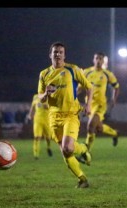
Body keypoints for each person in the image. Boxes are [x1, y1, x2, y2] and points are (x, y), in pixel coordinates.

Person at [37, 41, 93, 188]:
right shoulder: (44, 74)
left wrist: (88, 105)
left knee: (68, 147)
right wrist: (45, 93)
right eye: (55, 52)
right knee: (65, 152)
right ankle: (82, 179)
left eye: (61, 52)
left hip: (71, 114)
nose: (58, 54)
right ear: (50, 55)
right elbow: (40, 98)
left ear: (64, 55)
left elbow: (89, 87)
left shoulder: (72, 69)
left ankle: (83, 149)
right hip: (54, 117)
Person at [79, 52, 120, 150]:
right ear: (93, 60)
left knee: (90, 125)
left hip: (100, 104)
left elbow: (117, 87)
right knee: (99, 128)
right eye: (96, 58)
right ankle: (114, 133)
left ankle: (86, 151)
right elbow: (80, 87)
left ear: (103, 61)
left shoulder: (107, 74)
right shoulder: (87, 72)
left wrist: (114, 99)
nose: (98, 60)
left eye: (100, 59)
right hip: (89, 105)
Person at [27, 94, 53, 160]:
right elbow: (32, 107)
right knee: (37, 137)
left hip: (47, 120)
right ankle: (36, 154)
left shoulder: (49, 97)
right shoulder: (36, 97)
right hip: (37, 121)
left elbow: (53, 107)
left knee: (48, 138)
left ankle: (48, 147)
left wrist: (47, 107)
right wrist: (30, 115)